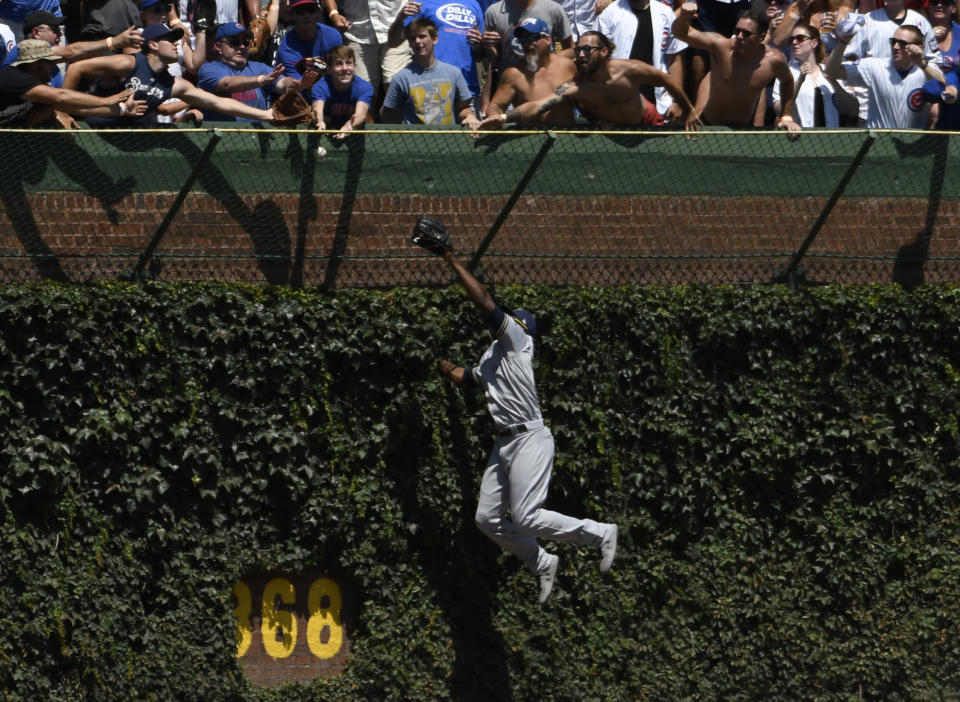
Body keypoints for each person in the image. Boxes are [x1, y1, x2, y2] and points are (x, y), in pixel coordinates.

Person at [434, 229, 618, 605]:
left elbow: (485, 303)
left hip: (530, 439)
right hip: (504, 444)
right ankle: (540, 560)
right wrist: (438, 363)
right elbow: (467, 379)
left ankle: (600, 533)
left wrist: (451, 259)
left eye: (516, 321)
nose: (510, 323)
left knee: (528, 517)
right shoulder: (491, 360)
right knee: (486, 519)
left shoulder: (518, 343)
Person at [63, 22, 296, 125]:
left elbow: (218, 103)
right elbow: (76, 67)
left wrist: (265, 115)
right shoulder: (128, 62)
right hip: (94, 132)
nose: (177, 44)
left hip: (129, 137)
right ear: (153, 45)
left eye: (177, 39)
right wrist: (61, 112)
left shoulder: (174, 84)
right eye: (170, 40)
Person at [493, 30, 700, 130]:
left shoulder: (630, 69)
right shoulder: (576, 87)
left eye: (587, 50)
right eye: (578, 50)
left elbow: (666, 80)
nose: (581, 55)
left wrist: (688, 108)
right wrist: (503, 118)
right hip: (612, 132)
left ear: (603, 52)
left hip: (648, 122)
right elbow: (538, 105)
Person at [673, 6, 801, 131]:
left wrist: (786, 116)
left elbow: (787, 81)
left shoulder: (774, 60)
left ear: (761, 37)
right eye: (737, 31)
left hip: (743, 129)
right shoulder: (720, 46)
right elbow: (682, 33)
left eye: (746, 33)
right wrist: (683, 17)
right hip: (708, 125)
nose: (739, 36)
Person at [824, 23, 948, 128]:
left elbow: (944, 85)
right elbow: (832, 72)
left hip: (911, 146)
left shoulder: (926, 69)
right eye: (893, 42)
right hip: (878, 144)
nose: (895, 47)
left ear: (919, 47)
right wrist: (843, 42)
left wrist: (922, 63)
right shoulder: (875, 66)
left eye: (902, 43)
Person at [0, 39, 135, 126]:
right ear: (35, 64)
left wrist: (121, 109)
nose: (54, 66)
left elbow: (73, 107)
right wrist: (106, 101)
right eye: (50, 62)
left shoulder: (34, 87)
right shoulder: (12, 77)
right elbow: (62, 96)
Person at [597, 0, 688, 121]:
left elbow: (675, 59)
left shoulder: (665, 12)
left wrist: (677, 101)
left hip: (660, 104)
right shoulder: (609, 13)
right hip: (619, 103)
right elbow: (598, 60)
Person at [476, 17, 577, 128]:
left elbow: (584, 99)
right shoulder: (514, 74)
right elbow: (496, 105)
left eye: (533, 37)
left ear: (548, 39)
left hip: (568, 138)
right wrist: (494, 115)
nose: (527, 43)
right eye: (523, 40)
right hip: (531, 139)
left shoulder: (568, 66)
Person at [3, 11, 144, 90]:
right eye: (55, 30)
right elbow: (70, 52)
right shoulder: (21, 51)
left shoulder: (54, 71)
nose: (60, 35)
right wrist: (114, 42)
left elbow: (58, 99)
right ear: (36, 32)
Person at [380, 18, 479, 126]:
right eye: (413, 38)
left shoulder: (453, 73)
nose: (417, 41)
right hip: (414, 140)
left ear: (435, 39)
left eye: (422, 36)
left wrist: (469, 116)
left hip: (448, 139)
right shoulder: (401, 78)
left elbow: (463, 108)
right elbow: (389, 116)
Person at [196, 21, 302, 122]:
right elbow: (226, 84)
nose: (242, 46)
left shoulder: (259, 68)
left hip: (256, 135)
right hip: (223, 135)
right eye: (235, 42)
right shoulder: (209, 69)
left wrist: (297, 84)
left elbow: (282, 83)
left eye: (246, 43)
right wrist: (261, 80)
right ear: (219, 46)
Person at [387, 0, 486, 96]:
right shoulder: (423, 2)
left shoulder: (474, 4)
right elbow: (394, 42)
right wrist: (400, 18)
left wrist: (479, 45)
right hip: (431, 88)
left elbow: (479, 56)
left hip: (466, 89)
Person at [322, 0, 410, 105]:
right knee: (363, 95)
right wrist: (334, 13)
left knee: (396, 87)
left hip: (396, 28)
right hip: (357, 32)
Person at [771, 21, 858, 126]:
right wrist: (799, 81)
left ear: (814, 43)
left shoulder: (831, 71)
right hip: (800, 137)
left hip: (831, 137)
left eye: (800, 38)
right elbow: (779, 110)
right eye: (791, 39)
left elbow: (853, 110)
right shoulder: (785, 73)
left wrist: (832, 81)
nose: (794, 42)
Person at [480, 0, 572, 80]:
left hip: (546, 84)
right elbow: (496, 61)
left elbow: (571, 49)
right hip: (510, 87)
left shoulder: (553, 9)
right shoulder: (494, 12)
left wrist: (551, 60)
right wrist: (488, 46)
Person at [311, 43, 374, 134]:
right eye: (338, 64)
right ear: (329, 69)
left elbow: (361, 115)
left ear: (354, 67)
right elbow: (317, 110)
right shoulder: (320, 86)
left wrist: (350, 125)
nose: (344, 68)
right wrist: (319, 121)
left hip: (353, 127)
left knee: (368, 117)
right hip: (326, 125)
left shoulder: (364, 87)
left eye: (348, 63)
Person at [276, 0, 344, 82]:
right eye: (300, 11)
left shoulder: (333, 36)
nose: (307, 15)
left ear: (318, 12)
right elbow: (299, 85)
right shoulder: (287, 48)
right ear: (292, 14)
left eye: (311, 9)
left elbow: (339, 74)